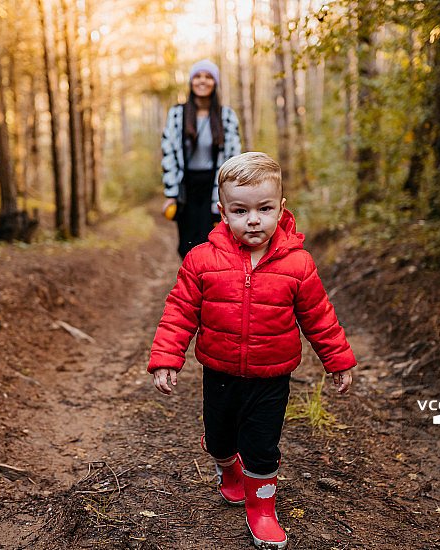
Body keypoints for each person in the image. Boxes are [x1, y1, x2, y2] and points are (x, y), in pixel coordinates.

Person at [148, 152, 357, 548]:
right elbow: (179, 312)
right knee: (220, 439)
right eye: (241, 210)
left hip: (272, 377)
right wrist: (166, 359)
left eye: (264, 208)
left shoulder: (298, 264)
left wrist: (338, 361)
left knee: (262, 447)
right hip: (220, 373)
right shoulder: (201, 260)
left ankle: (262, 509)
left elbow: (319, 317)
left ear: (281, 206)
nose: (254, 220)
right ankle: (228, 471)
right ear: (223, 212)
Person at [161, 59, 241, 258]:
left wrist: (230, 195)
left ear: (215, 82)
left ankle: (210, 287)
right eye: (197, 76)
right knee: (187, 246)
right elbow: (168, 152)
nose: (202, 81)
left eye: (208, 77)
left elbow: (234, 158)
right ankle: (191, 287)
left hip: (215, 188)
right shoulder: (177, 114)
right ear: (191, 82)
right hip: (186, 189)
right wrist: (171, 193)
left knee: (213, 245)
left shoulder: (227, 116)